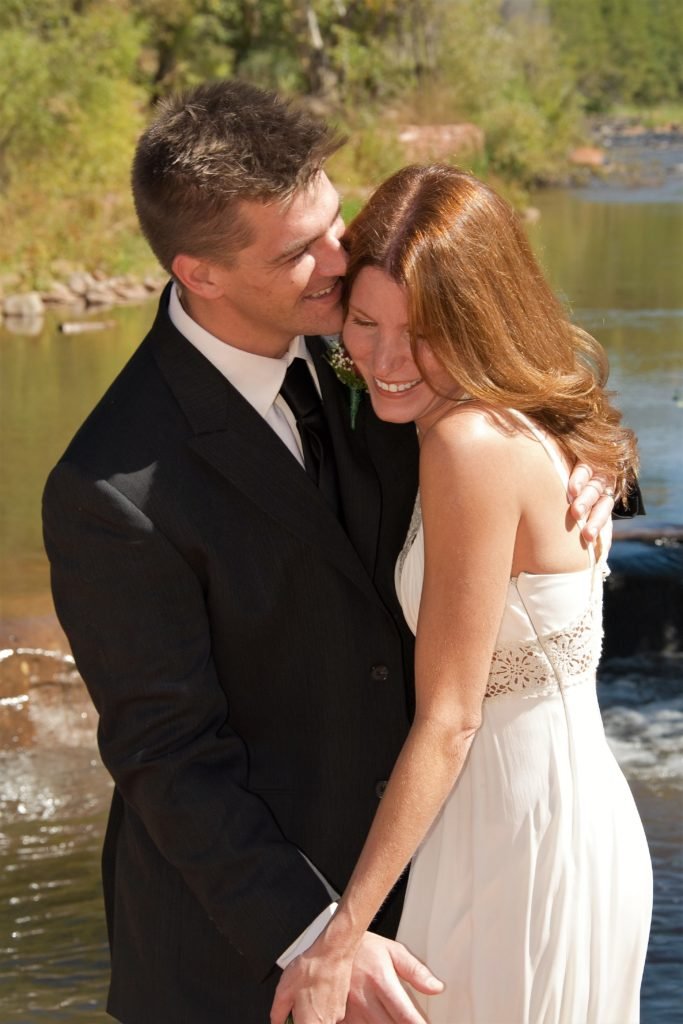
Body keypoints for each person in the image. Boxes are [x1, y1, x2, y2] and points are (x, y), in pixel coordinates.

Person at [42, 82, 621, 1024]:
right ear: (201, 274)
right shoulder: (110, 490)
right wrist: (322, 937)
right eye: (296, 251)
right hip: (246, 960)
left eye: (331, 219)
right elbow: (168, 757)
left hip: (443, 889)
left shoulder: (372, 343)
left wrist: (597, 454)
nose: (337, 258)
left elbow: (515, 413)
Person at [271, 165, 652, 1024]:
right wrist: (609, 449)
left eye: (421, 331)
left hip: (514, 836)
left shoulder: (470, 442)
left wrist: (341, 937)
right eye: (362, 323)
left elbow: (451, 717)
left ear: (478, 318)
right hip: (541, 815)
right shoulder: (515, 417)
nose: (383, 358)